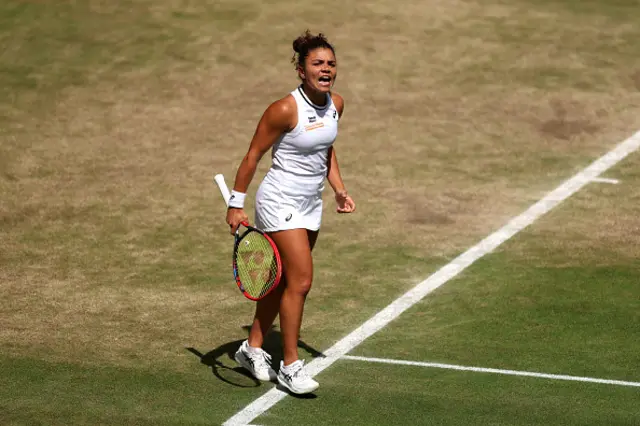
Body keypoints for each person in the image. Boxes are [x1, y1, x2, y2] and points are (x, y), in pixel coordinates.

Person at [225, 30, 355, 395]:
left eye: (331, 63)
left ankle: (251, 348)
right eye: (317, 64)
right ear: (301, 70)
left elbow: (325, 150)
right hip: (279, 202)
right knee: (300, 281)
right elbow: (253, 156)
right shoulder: (284, 109)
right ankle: (290, 365)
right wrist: (236, 203)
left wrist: (339, 189)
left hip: (310, 204)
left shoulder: (336, 105)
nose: (326, 69)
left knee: (279, 279)